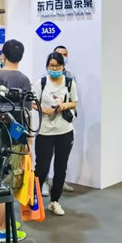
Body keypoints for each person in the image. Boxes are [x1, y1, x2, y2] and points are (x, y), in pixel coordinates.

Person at [0, 39, 30, 242]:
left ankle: (1, 223)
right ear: (21, 57)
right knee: (6, 183)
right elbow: (27, 114)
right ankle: (3, 229)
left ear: (3, 55)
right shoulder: (24, 80)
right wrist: (28, 142)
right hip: (15, 138)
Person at [32, 52, 78, 216]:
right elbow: (33, 102)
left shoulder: (70, 82)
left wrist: (64, 106)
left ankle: (54, 201)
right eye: (52, 65)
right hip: (45, 132)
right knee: (41, 168)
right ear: (47, 66)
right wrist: (43, 109)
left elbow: (74, 102)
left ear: (63, 66)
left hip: (65, 131)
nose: (55, 68)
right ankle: (34, 199)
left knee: (61, 168)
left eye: (58, 66)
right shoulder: (41, 83)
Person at [50, 45, 76, 194]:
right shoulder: (46, 78)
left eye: (65, 54)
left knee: (62, 157)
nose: (62, 57)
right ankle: (45, 182)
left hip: (65, 121)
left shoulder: (70, 76)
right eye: (59, 54)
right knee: (46, 156)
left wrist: (69, 108)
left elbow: (74, 98)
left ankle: (60, 182)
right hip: (50, 121)